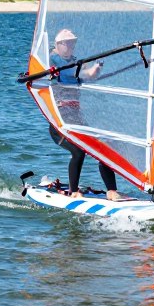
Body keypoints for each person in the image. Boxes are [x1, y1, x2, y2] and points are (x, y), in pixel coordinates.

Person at [48, 28, 121, 201]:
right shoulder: (50, 60)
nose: (71, 46)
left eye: (73, 43)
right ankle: (74, 191)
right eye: (67, 43)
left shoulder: (75, 62)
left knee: (103, 145)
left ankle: (111, 190)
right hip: (59, 122)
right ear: (58, 45)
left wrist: (98, 66)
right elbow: (67, 73)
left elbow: (88, 75)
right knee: (79, 151)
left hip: (76, 117)